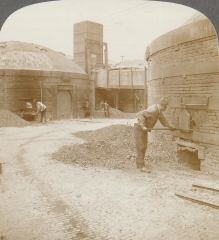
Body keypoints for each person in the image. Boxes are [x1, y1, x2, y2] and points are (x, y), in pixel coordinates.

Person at [134, 97, 177, 173]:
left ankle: (139, 163)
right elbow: (141, 114)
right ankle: (141, 166)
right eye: (166, 107)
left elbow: (163, 120)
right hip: (139, 128)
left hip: (143, 129)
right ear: (163, 106)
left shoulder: (158, 111)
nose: (165, 108)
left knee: (144, 146)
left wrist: (171, 127)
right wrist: (143, 125)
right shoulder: (153, 110)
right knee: (141, 146)